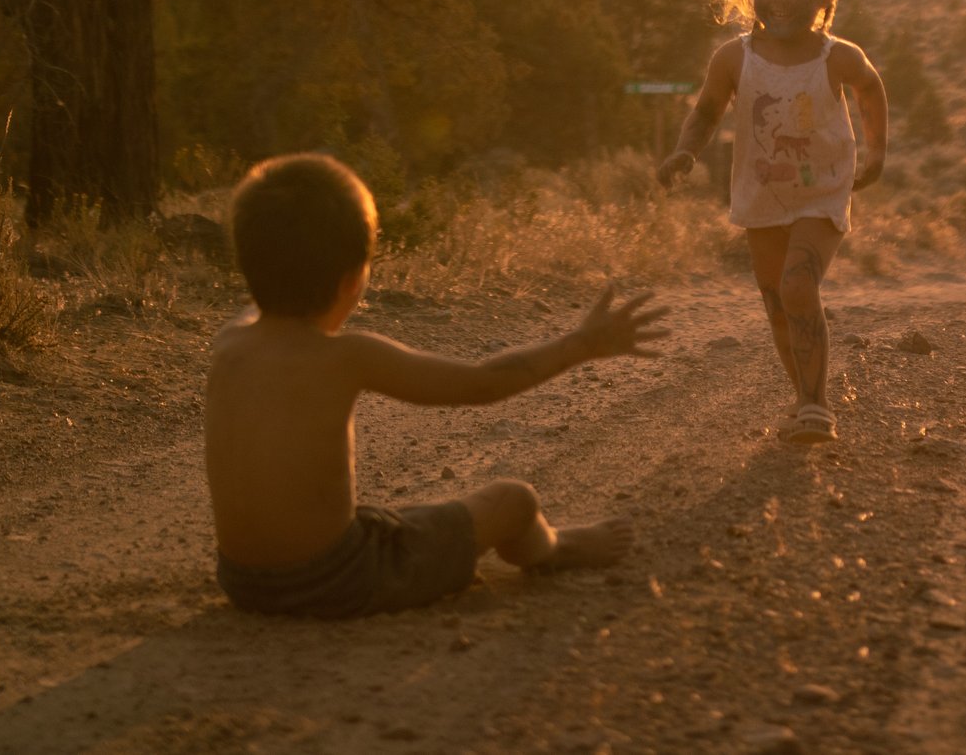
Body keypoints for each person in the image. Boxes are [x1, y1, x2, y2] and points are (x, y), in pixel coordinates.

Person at [205, 153, 665, 618]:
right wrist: (579, 344)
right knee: (514, 500)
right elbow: (484, 383)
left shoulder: (228, 342)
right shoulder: (347, 356)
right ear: (350, 282)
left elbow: (263, 291)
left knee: (396, 522)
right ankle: (552, 548)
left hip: (242, 582)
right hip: (337, 580)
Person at [656, 0, 888, 445]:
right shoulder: (734, 58)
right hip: (762, 195)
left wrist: (876, 152)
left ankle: (816, 405)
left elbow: (871, 88)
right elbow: (707, 111)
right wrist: (685, 152)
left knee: (798, 285)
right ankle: (803, 396)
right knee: (776, 301)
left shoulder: (837, 58)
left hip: (822, 190)